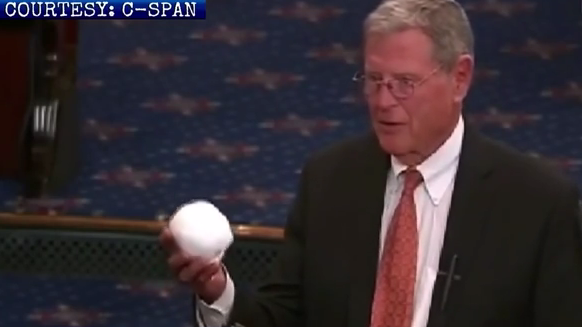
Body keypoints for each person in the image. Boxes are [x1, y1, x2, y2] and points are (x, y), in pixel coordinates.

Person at [159, 0, 582, 326]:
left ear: (460, 78)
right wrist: (218, 293)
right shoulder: (329, 181)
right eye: (374, 80)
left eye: (404, 83)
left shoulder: (537, 203)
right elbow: (283, 317)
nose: (382, 102)